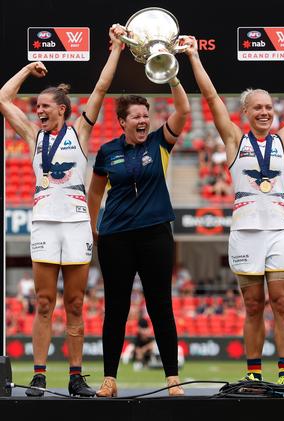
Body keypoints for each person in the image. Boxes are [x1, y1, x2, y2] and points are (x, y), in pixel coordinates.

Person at [184, 35, 284, 393]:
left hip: (278, 231)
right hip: (244, 234)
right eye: (257, 107)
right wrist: (195, 57)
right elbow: (211, 99)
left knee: (283, 302)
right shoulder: (234, 141)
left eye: (269, 108)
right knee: (254, 305)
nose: (264, 112)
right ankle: (254, 373)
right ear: (245, 112)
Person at [0, 25, 123, 397]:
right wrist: (27, 67)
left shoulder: (80, 133)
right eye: (36, 107)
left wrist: (115, 49)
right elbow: (3, 99)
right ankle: (38, 376)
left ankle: (75, 376)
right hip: (44, 225)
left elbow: (100, 89)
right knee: (43, 302)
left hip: (75, 225)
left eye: (44, 107)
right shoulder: (33, 136)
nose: (38, 111)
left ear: (62, 110)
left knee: (74, 303)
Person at [87, 34, 190, 396]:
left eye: (146, 115)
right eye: (137, 116)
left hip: (155, 234)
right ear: (122, 121)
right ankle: (109, 379)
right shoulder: (106, 152)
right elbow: (95, 193)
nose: (144, 120)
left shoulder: (160, 141)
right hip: (115, 237)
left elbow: (183, 112)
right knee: (115, 308)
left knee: (160, 304)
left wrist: (172, 74)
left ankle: (172, 379)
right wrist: (92, 230)